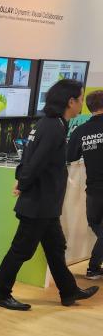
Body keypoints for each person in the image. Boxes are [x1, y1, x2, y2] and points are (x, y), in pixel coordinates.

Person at [0, 79, 99, 310]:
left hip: (45, 204)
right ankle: (0, 294)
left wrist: (22, 181)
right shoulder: (53, 128)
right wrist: (23, 184)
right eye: (79, 99)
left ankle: (68, 291)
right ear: (70, 101)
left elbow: (28, 158)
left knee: (55, 247)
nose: (81, 103)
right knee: (21, 250)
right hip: (38, 204)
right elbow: (35, 163)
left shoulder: (49, 124)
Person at [67, 90, 103, 279]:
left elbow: (70, 156)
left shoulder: (81, 130)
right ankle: (93, 268)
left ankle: (94, 267)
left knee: (95, 224)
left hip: (94, 190)